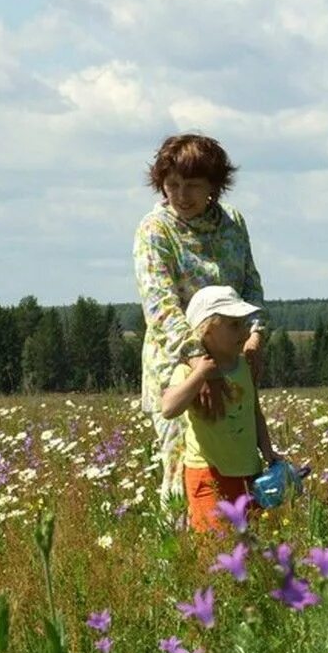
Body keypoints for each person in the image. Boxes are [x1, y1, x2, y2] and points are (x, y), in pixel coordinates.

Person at [133, 134, 267, 512]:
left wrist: (256, 336)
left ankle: (241, 552)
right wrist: (198, 366)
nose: (181, 195)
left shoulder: (233, 223)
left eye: (192, 185)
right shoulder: (155, 230)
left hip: (232, 360)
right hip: (180, 369)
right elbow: (160, 307)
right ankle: (184, 560)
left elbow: (250, 284)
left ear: (214, 184)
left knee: (238, 456)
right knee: (185, 470)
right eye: (171, 184)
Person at [160, 285, 280, 532]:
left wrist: (268, 453)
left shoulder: (244, 367)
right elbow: (168, 408)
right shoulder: (187, 371)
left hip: (249, 473)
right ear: (206, 329)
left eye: (244, 323)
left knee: (251, 545)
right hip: (208, 474)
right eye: (233, 325)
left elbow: (254, 413)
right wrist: (199, 375)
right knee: (215, 546)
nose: (244, 331)